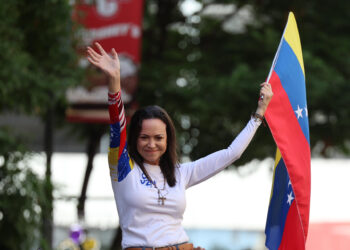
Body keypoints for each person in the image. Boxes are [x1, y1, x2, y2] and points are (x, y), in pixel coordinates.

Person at [87, 42, 273, 250]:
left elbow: (232, 153)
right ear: (134, 140)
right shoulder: (123, 168)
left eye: (158, 137)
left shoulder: (180, 173)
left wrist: (259, 114)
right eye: (144, 137)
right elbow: (117, 128)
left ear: (168, 139)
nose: (151, 144)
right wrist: (114, 82)